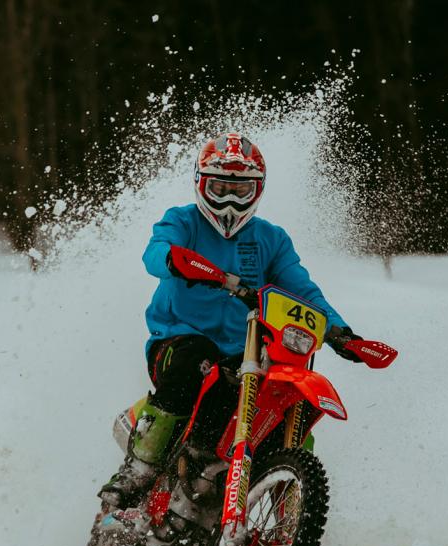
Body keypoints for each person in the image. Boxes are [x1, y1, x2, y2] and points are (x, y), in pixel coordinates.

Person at [99, 132, 362, 511]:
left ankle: (290, 528)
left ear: (257, 191)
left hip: (247, 354)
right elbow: (154, 252)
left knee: (288, 408)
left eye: (240, 190)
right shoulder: (183, 221)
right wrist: (173, 259)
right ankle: (140, 467)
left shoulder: (271, 239)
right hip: (178, 342)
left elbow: (304, 291)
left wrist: (339, 332)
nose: (228, 199)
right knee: (195, 357)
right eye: (219, 187)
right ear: (200, 183)